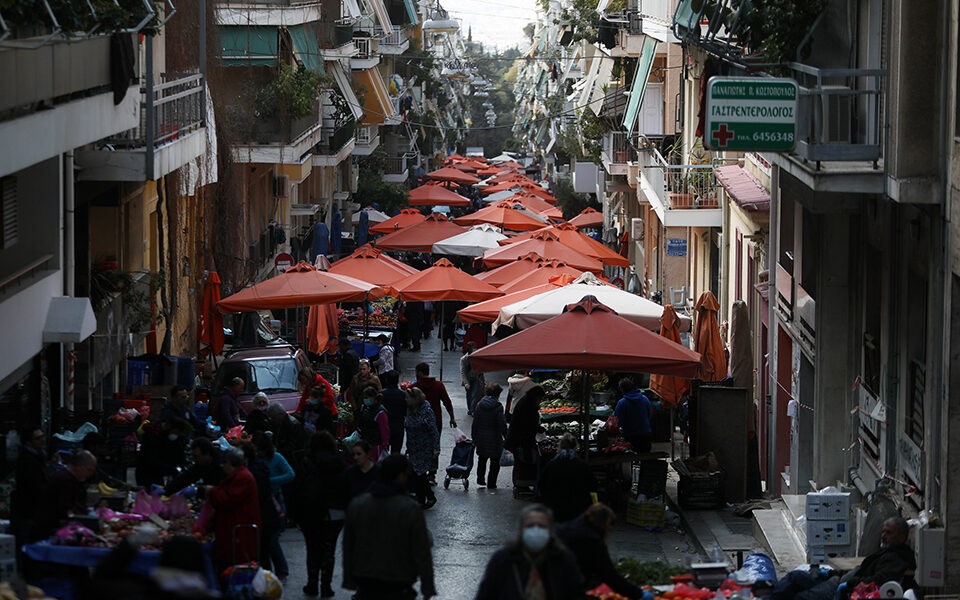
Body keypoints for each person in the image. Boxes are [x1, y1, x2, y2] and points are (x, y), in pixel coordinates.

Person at [342, 454, 437, 599]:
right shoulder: (410, 508)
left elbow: (348, 545)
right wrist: (427, 587)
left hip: (365, 578)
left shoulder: (358, 504)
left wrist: (349, 578)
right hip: (398, 580)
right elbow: (422, 550)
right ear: (400, 476)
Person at [771, 517, 917, 600]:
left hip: (840, 589)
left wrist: (848, 583)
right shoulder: (885, 552)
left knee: (799, 597)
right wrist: (831, 574)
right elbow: (859, 570)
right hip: (837, 581)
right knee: (796, 577)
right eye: (883, 532)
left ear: (902, 537)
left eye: (889, 533)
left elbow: (876, 581)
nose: (883, 536)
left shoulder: (897, 558)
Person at [475, 504, 584, 599]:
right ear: (521, 530)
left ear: (550, 531)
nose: (535, 530)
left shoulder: (564, 560)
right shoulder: (503, 560)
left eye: (541, 526)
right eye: (530, 526)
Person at [296, 431, 349, 597]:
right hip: (335, 513)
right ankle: (326, 586)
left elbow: (299, 489)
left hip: (311, 513)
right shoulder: (340, 462)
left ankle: (312, 584)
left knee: (312, 549)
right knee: (329, 549)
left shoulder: (307, 462)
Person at [556, 503, 645, 598]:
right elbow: (609, 575)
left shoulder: (567, 528)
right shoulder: (592, 541)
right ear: (605, 524)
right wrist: (639, 594)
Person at [205, 448, 261, 571]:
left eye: (224, 463)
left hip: (239, 530)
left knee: (236, 566)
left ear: (230, 463)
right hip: (233, 527)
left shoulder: (243, 477)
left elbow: (227, 499)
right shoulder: (238, 476)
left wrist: (211, 490)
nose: (222, 466)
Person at [253, 434, 296, 581]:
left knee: (272, 540)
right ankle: (269, 572)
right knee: (267, 541)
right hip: (263, 503)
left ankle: (281, 570)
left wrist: (269, 481)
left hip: (276, 502)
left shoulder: (277, 457)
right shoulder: (256, 460)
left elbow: (290, 474)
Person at [238, 442, 280, 581]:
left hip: (263, 516)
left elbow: (259, 495)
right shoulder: (258, 467)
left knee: (263, 551)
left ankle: (266, 582)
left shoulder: (254, 471)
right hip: (265, 514)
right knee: (264, 551)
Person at [34, 450, 98, 539]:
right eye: (89, 470)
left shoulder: (73, 479)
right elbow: (66, 509)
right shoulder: (64, 480)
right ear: (78, 466)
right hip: (51, 529)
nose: (90, 474)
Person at [537, 433, 598, 523]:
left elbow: (541, 487)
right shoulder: (582, 465)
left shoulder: (551, 465)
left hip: (556, 510)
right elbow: (593, 487)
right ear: (575, 447)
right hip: (578, 510)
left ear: (560, 446)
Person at [505, 385, 545, 494]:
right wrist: (538, 428)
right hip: (521, 440)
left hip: (519, 438)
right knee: (523, 462)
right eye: (540, 399)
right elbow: (528, 423)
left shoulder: (526, 402)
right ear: (536, 397)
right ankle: (521, 484)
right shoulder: (528, 406)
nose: (540, 401)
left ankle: (521, 484)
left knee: (520, 462)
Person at [403, 387, 439, 509]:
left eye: (408, 397)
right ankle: (424, 498)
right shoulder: (409, 410)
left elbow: (433, 430)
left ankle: (426, 497)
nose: (406, 400)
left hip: (425, 446)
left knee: (420, 473)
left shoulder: (427, 410)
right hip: (413, 447)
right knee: (417, 473)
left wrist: (436, 448)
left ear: (414, 398)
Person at [12, 427, 48, 546]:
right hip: (28, 511)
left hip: (33, 511)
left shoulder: (38, 456)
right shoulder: (27, 460)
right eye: (38, 438)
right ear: (29, 442)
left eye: (43, 437)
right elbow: (34, 487)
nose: (42, 440)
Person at [471, 382, 507, 489]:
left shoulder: (479, 405)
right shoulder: (498, 406)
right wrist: (506, 435)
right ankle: (491, 483)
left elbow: (475, 423)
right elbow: (501, 423)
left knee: (482, 459)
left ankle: (480, 479)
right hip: (495, 438)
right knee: (495, 461)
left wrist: (474, 437)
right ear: (497, 394)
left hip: (481, 437)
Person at [413, 362, 457, 435]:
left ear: (420, 373)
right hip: (436, 419)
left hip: (418, 422)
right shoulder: (438, 385)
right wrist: (452, 417)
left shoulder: (414, 388)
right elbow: (447, 402)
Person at [614, 378, 652, 453]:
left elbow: (617, 421)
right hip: (645, 434)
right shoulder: (645, 399)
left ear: (622, 389)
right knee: (645, 457)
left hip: (630, 436)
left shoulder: (622, 403)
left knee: (632, 458)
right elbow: (649, 415)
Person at [267, 403, 309, 468]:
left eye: (273, 417)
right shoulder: (279, 422)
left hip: (293, 458)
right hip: (285, 455)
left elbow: (293, 445)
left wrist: (278, 450)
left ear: (280, 414)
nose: (272, 420)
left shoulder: (292, 424)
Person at [356, 386, 391, 461]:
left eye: (367, 397)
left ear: (374, 398)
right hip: (366, 442)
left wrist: (385, 444)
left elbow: (384, 430)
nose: (365, 400)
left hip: (376, 444)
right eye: (364, 398)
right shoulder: (366, 409)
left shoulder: (380, 412)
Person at [379, 370, 407, 454]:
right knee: (396, 451)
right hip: (398, 426)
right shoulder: (403, 395)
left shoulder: (381, 394)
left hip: (384, 426)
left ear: (387, 380)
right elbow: (406, 411)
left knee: (383, 451)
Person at [460, 342, 485, 416]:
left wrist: (482, 380)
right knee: (469, 395)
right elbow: (463, 372)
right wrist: (466, 382)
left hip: (476, 378)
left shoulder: (478, 357)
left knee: (474, 394)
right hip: (468, 379)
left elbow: (481, 369)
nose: (475, 349)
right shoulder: (464, 359)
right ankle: (470, 408)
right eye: (473, 348)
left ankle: (472, 410)